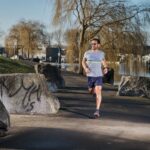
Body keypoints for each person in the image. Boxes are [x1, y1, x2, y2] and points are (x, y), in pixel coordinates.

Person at [82, 38, 108, 118]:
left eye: (95, 44)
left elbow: (103, 61)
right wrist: (85, 68)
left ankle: (97, 111)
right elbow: (83, 61)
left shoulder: (101, 53)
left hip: (98, 76)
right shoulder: (87, 53)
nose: (93, 45)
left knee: (98, 91)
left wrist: (105, 68)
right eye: (92, 44)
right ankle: (92, 90)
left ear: (98, 45)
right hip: (90, 76)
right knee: (90, 90)